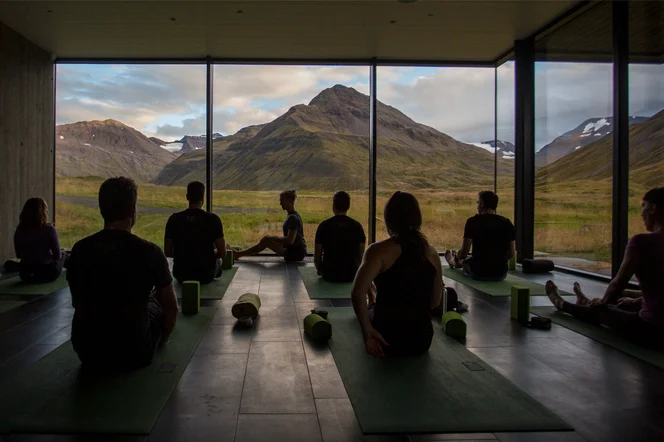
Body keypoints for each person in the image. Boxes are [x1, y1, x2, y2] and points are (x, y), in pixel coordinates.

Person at [66, 177, 178, 370]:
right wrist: (161, 338)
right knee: (156, 300)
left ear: (102, 209)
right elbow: (172, 308)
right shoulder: (149, 252)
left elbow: (78, 300)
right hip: (136, 351)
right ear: (133, 210)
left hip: (88, 351)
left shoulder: (79, 249)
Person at [545, 187, 664, 348]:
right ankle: (584, 300)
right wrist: (635, 301)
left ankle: (562, 303)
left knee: (602, 312)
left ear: (653, 208)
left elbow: (618, 283)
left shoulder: (641, 243)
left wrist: (603, 303)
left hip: (652, 331)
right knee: (623, 304)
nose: (641, 213)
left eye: (643, 206)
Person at [351, 191, 443, 358]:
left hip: (386, 339)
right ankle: (373, 298)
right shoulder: (432, 253)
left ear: (389, 220)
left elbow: (357, 294)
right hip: (422, 341)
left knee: (369, 310)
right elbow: (435, 302)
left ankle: (372, 298)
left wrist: (367, 331)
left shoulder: (377, 251)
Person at [444, 190, 515, 281]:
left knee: (463, 260)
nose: (477, 206)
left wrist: (458, 257)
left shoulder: (473, 221)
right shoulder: (507, 223)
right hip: (501, 274)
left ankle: (452, 261)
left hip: (478, 272)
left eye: (478, 203)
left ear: (482, 204)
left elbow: (464, 252)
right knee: (470, 258)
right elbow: (511, 254)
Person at [164, 181, 226, 284]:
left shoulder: (173, 219)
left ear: (187, 197)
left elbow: (167, 251)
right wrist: (208, 254)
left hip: (181, 274)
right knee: (219, 261)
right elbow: (222, 253)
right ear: (203, 198)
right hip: (206, 274)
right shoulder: (213, 220)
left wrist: (185, 254)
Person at [234, 190, 307, 262]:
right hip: (295, 251)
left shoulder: (293, 218)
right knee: (266, 240)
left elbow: (290, 240)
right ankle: (239, 254)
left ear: (290, 200)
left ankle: (239, 254)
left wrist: (272, 238)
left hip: (296, 254)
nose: (280, 203)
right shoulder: (293, 215)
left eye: (282, 200)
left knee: (266, 241)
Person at [314, 191, 366, 282]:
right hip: (351, 274)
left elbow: (317, 257)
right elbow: (361, 257)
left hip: (329, 274)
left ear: (333, 205)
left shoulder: (324, 226)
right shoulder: (357, 226)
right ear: (348, 206)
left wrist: (320, 269)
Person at [14, 197, 65, 283]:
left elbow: (19, 255)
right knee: (64, 255)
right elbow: (57, 256)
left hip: (26, 273)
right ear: (43, 212)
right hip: (47, 273)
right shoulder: (50, 230)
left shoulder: (19, 230)